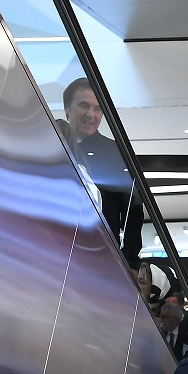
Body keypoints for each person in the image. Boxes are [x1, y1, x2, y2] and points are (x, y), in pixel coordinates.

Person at [60, 78, 142, 271]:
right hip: (57, 250)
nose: (91, 114)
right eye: (84, 105)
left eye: (98, 108)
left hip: (101, 258)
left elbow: (133, 213)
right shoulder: (51, 149)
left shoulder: (116, 153)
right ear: (67, 108)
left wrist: (130, 262)